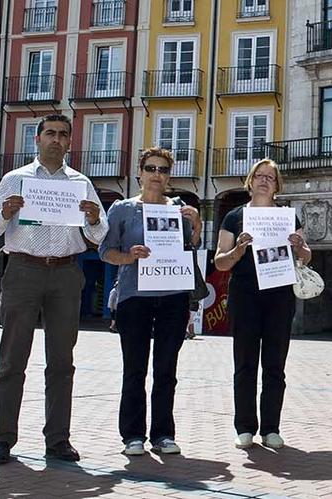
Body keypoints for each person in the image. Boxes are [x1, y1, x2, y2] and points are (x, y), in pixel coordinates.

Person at [0, 113, 108, 465]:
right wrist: (4, 213)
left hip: (66, 273)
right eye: (49, 133)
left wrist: (94, 218)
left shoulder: (80, 183)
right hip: (23, 269)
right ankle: (3, 438)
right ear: (37, 139)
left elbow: (100, 233)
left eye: (63, 135)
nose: (56, 139)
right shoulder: (15, 179)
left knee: (62, 362)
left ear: (70, 142)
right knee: (12, 359)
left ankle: (58, 440)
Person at [100, 148, 202, 457]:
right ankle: (132, 435)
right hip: (134, 297)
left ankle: (163, 434)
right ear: (140, 173)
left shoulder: (181, 208)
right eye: (150, 168)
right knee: (134, 369)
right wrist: (130, 256)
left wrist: (196, 224)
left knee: (166, 370)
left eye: (163, 169)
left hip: (173, 296)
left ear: (169, 176)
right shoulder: (122, 209)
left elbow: (192, 246)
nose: (157, 174)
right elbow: (106, 251)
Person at [215, 158, 312, 450]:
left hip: (279, 294)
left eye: (270, 177)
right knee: (244, 364)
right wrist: (238, 249)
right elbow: (220, 262)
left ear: (277, 186)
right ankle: (244, 427)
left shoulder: (288, 218)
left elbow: (305, 257)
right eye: (259, 175)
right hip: (245, 294)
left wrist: (299, 246)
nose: (264, 180)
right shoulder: (234, 217)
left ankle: (271, 428)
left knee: (275, 364)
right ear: (250, 180)